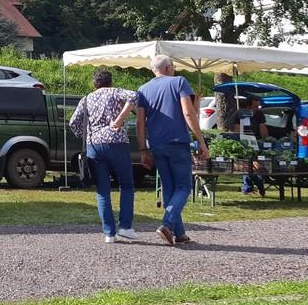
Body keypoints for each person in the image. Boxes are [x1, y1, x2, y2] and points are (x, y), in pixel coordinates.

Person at [136, 55, 209, 246]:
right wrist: (200, 140)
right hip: (177, 142)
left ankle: (180, 233)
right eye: (173, 66)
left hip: (157, 144)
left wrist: (143, 149)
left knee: (169, 187)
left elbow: (140, 123)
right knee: (184, 186)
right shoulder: (179, 82)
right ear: (168, 67)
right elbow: (188, 112)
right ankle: (167, 225)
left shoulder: (143, 89)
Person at [68, 69, 140, 243]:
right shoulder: (116, 92)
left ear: (94, 84)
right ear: (111, 82)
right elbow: (135, 96)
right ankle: (125, 226)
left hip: (94, 145)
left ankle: (109, 233)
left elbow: (73, 123)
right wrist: (120, 119)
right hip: (116, 142)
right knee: (127, 185)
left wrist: (84, 134)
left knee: (102, 190)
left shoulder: (86, 99)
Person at [242, 96, 267, 195]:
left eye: (258, 106)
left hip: (257, 142)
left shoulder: (259, 114)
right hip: (245, 141)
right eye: (255, 106)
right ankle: (248, 187)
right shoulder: (243, 114)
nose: (257, 108)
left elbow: (262, 128)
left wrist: (266, 140)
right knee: (247, 164)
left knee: (256, 165)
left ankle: (256, 185)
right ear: (248, 106)